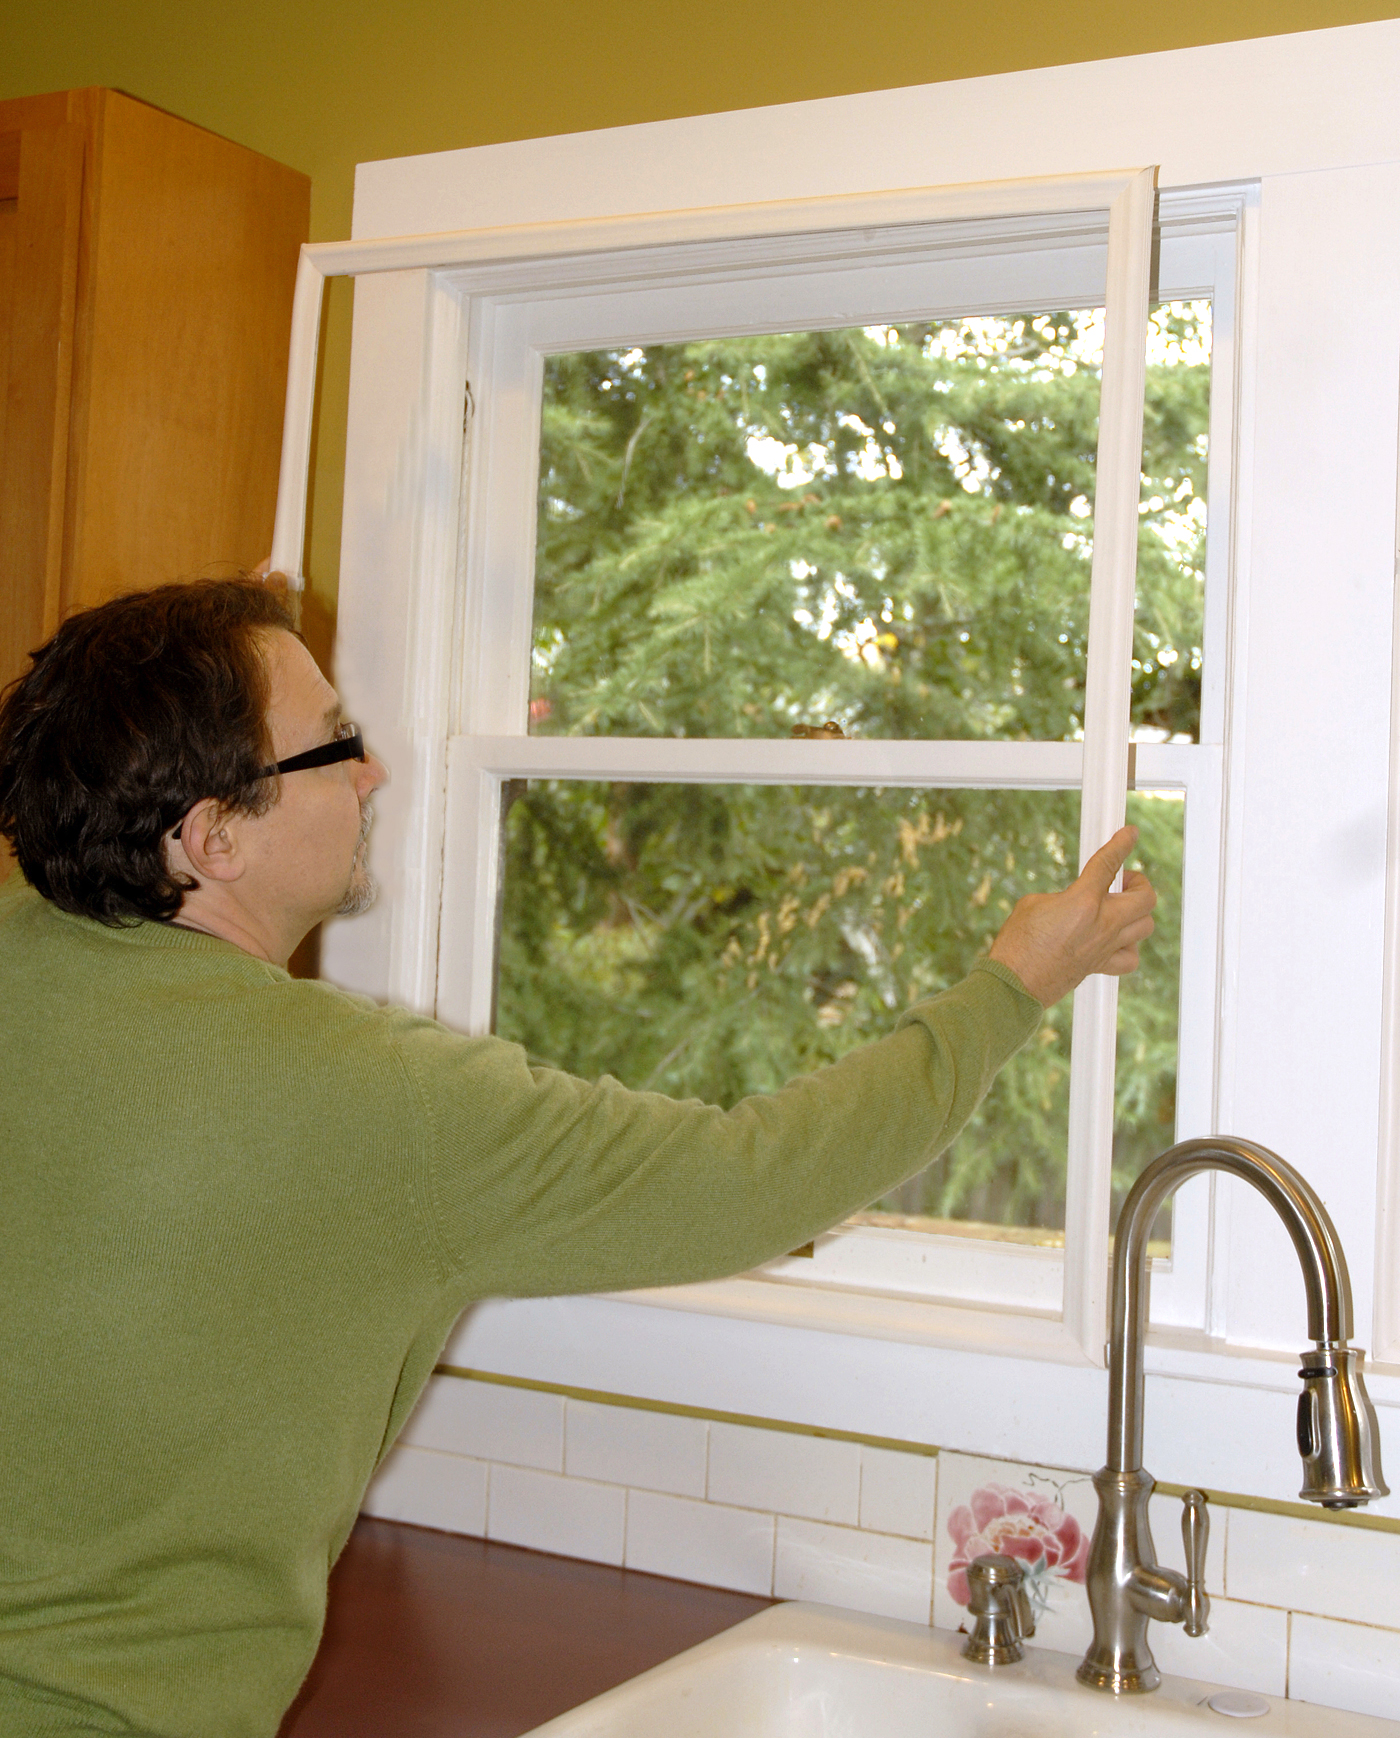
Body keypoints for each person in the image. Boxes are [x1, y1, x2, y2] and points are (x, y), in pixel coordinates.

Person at [0, 578, 1155, 1737]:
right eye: (334, 745)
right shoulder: (368, 1098)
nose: (373, 772)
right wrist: (1013, 984)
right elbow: (752, 1179)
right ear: (214, 836)